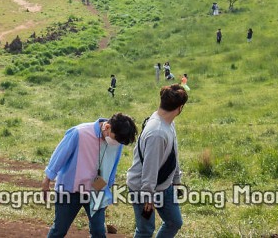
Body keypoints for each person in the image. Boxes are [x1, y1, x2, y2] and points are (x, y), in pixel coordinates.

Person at [42, 112, 138, 237]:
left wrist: (107, 190)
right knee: (59, 229)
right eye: (115, 139)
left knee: (99, 231)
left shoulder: (117, 142)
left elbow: (113, 165)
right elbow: (60, 156)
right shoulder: (79, 133)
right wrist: (47, 180)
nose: (116, 143)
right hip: (70, 190)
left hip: (97, 190)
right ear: (107, 127)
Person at [126, 85, 188, 238]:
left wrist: (176, 180)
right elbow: (150, 168)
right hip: (144, 187)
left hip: (162, 184)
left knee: (174, 222)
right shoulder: (158, 132)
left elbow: (173, 153)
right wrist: (148, 196)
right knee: (145, 230)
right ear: (180, 108)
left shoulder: (167, 122)